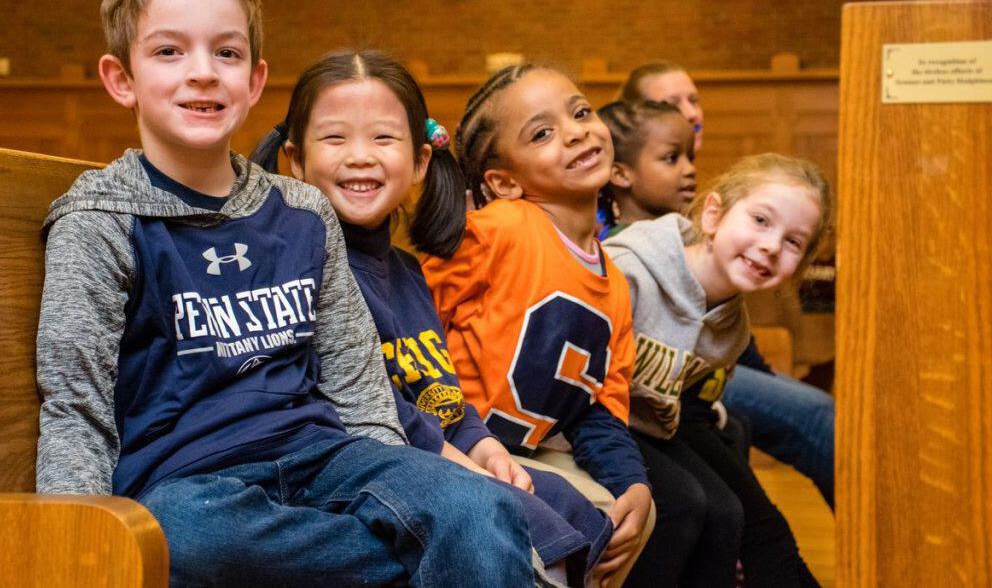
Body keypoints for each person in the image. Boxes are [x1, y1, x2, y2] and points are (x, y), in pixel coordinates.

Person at [34, 0, 538, 587]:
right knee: (190, 541)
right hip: (191, 482)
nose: (202, 74)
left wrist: (406, 482)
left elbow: (359, 389)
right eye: (168, 52)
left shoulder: (302, 210)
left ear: (254, 78)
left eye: (226, 53)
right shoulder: (98, 219)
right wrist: (73, 544)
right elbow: (75, 405)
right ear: (120, 78)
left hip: (324, 456)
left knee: (477, 503)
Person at [251, 49, 613, 586]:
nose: (360, 157)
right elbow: (360, 402)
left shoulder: (406, 270)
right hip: (374, 466)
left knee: (575, 509)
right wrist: (459, 462)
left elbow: (437, 387)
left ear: (421, 160)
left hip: (441, 448)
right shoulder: (297, 261)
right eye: (335, 139)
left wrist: (484, 445)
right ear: (295, 159)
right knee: (522, 522)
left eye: (382, 138)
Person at [420, 64, 655, 587]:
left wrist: (631, 483)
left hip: (527, 454)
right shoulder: (498, 230)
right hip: (453, 445)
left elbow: (596, 409)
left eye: (581, 112)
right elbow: (408, 318)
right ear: (504, 182)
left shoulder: (614, 282)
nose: (574, 132)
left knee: (632, 513)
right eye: (542, 133)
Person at [604, 152, 831, 587]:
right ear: (713, 215)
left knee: (740, 516)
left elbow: (689, 411)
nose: (770, 246)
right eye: (761, 221)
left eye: (793, 242)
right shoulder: (631, 272)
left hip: (657, 424)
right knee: (686, 503)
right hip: (600, 423)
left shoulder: (733, 330)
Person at [623, 61, 835, 508]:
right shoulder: (632, 239)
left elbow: (726, 326)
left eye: (693, 99)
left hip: (702, 369)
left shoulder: (707, 186)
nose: (690, 111)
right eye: (670, 102)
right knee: (811, 416)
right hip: (652, 379)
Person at [597, 99, 744, 587]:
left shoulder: (697, 256)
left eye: (691, 157)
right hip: (613, 419)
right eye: (671, 158)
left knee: (726, 509)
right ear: (620, 173)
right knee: (685, 503)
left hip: (664, 416)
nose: (689, 171)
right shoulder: (623, 258)